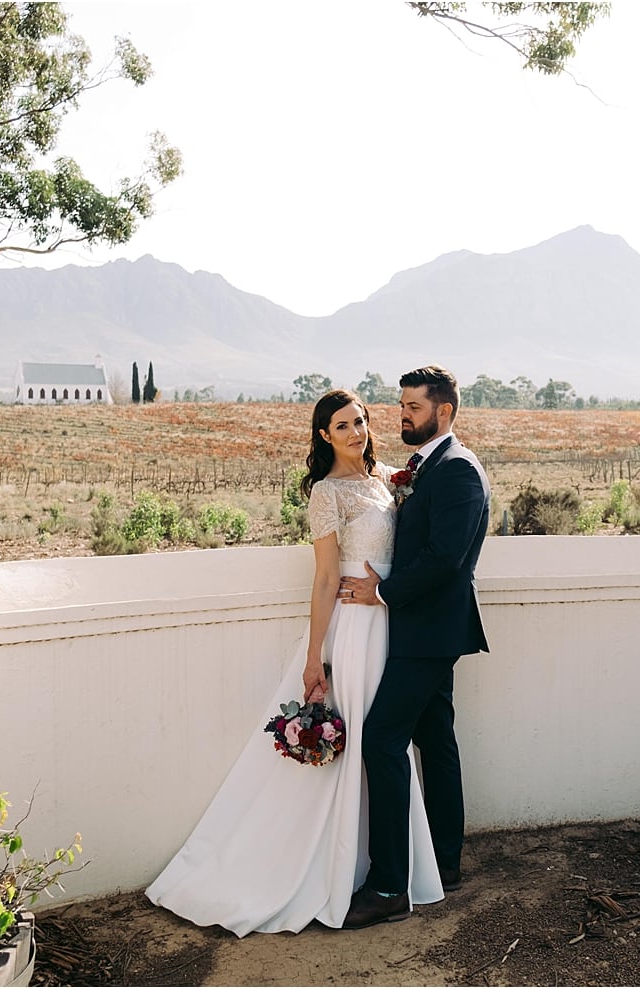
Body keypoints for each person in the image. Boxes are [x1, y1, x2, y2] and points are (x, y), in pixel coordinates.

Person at [144, 389, 444, 936]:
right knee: (360, 744)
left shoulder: (388, 480)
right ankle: (343, 870)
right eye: (342, 425)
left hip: (392, 625)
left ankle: (383, 871)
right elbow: (327, 577)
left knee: (385, 746)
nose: (356, 432)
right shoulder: (327, 494)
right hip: (353, 632)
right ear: (324, 436)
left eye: (360, 421)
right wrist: (315, 658)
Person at [337, 365, 490, 929]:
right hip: (421, 629)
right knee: (435, 738)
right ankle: (445, 862)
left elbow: (445, 559)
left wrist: (383, 592)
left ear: (443, 412)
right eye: (401, 406)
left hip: (427, 632)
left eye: (414, 408)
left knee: (381, 739)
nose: (402, 415)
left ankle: (388, 886)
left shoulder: (457, 472)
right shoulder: (428, 470)